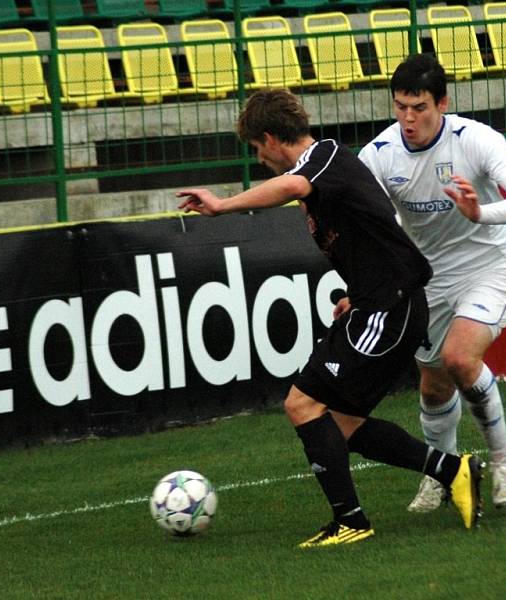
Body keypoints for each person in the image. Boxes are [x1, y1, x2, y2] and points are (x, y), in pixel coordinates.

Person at [177, 88, 484, 547]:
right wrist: (354, 296)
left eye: (258, 150)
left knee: (301, 404)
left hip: (392, 308)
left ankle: (351, 521)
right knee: (339, 424)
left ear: (270, 137)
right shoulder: (322, 179)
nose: (261, 161)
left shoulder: (323, 158)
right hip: (379, 305)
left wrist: (222, 205)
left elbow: (294, 186)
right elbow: (368, 237)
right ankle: (453, 469)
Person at [359, 54, 506, 512]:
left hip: (491, 265)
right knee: (433, 386)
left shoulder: (476, 140)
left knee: (460, 359)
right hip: (431, 279)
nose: (409, 118)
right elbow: (367, 229)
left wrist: (480, 213)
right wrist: (359, 289)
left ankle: (504, 460)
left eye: (420, 107)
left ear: (442, 103)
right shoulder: (380, 155)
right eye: (401, 106)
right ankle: (441, 474)